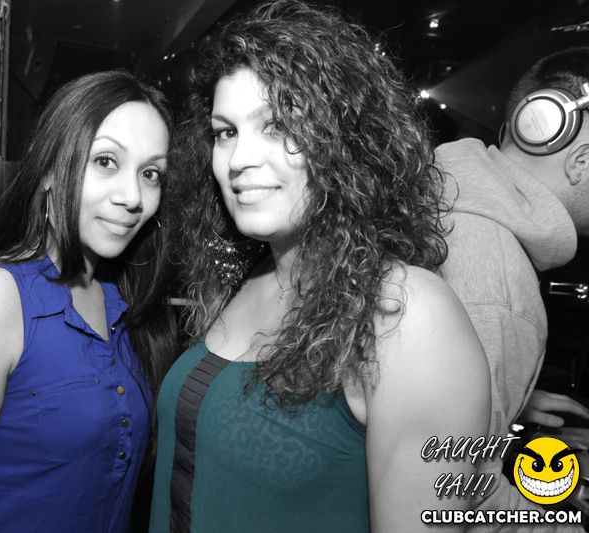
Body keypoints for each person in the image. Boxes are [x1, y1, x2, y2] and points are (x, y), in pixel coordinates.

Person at [149, 1, 490, 531]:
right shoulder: (246, 277)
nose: (239, 159)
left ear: (346, 140)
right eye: (225, 132)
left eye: (278, 124)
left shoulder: (408, 314)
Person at [0, 70, 177, 533]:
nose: (134, 197)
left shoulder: (124, 303)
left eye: (151, 174)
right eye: (106, 161)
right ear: (49, 171)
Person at [437, 47, 589, 532]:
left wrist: (503, 400)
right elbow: (451, 496)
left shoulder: (443, 198)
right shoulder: (499, 284)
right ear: (581, 161)